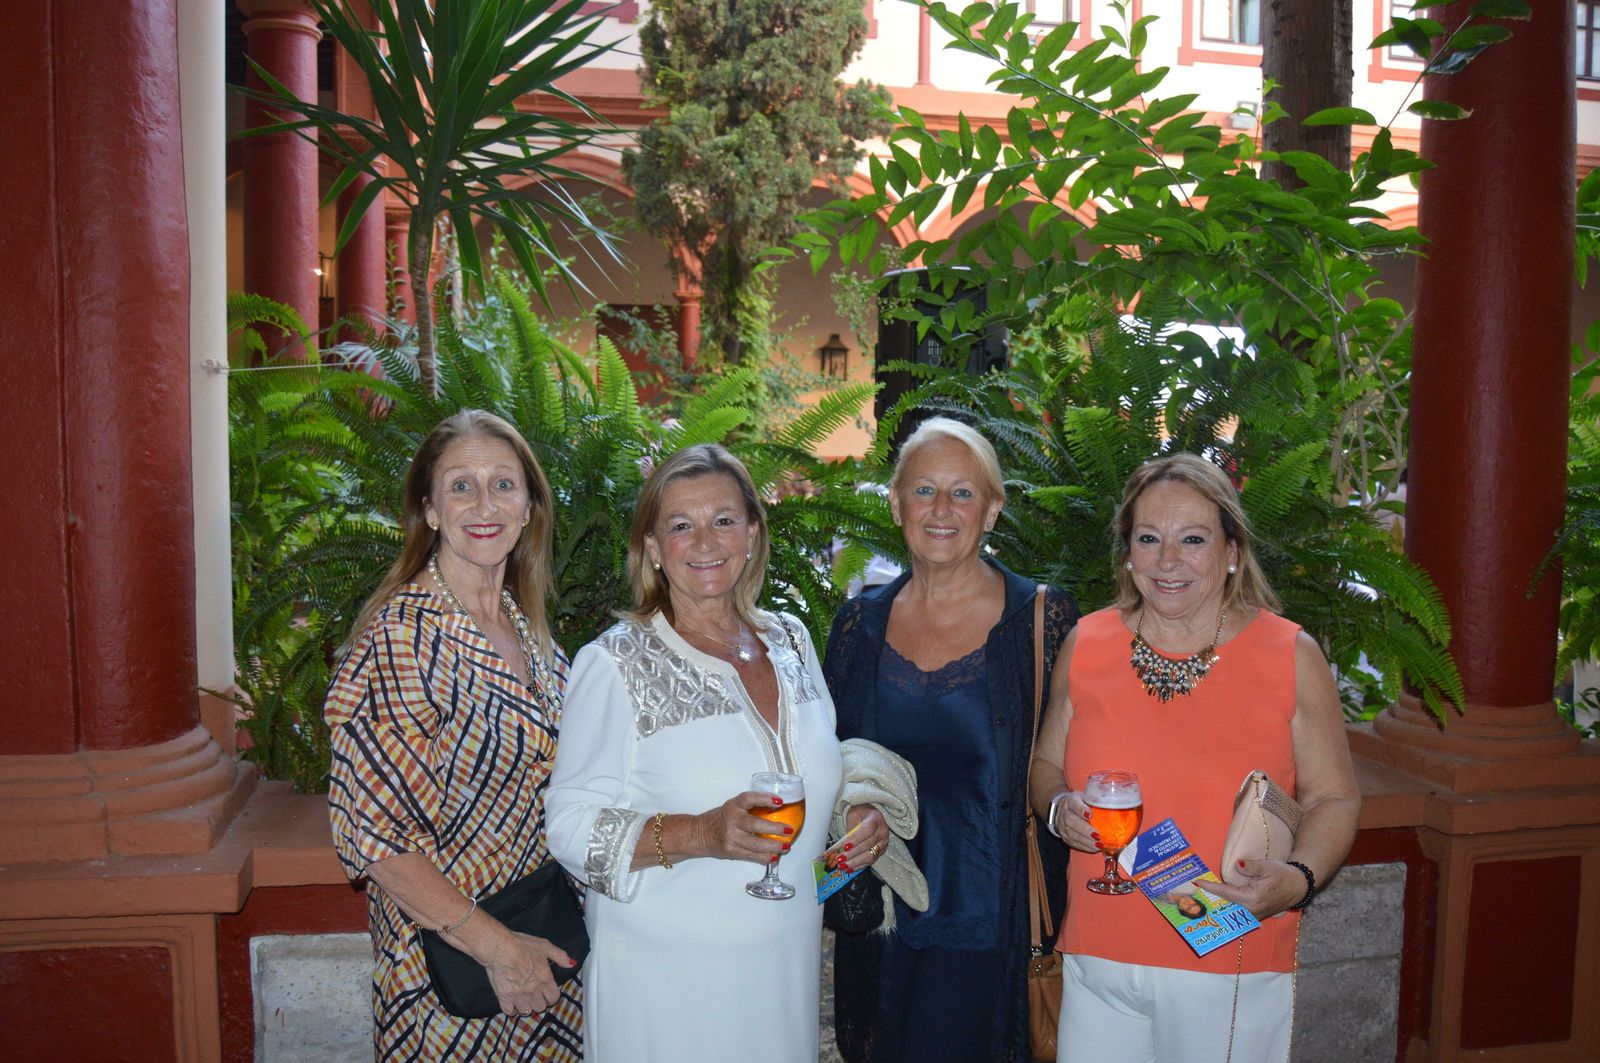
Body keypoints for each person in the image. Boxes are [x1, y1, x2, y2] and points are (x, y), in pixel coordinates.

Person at [545, 444, 887, 1062]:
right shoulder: (614, 662)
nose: (705, 541)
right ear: (652, 547)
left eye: (723, 520)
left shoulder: (791, 642)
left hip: (783, 973)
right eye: (681, 525)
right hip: (665, 986)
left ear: (753, 534)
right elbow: (568, 827)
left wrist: (853, 836)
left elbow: (815, 799)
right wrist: (702, 831)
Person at [1030, 453, 1361, 1062]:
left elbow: (1334, 797)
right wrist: (1057, 810)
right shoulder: (1088, 643)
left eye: (1193, 539)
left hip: (1227, 959)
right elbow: (1045, 768)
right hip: (1096, 959)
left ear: (1231, 550)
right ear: (1127, 550)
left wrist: (1298, 880)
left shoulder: (1288, 653)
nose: (1168, 561)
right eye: (1149, 538)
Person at [324, 409, 581, 1061]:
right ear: (431, 511)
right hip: (452, 979)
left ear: (529, 507)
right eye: (460, 485)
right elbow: (377, 841)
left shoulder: (532, 632)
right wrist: (501, 951)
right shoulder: (400, 640)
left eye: (503, 483)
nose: (484, 502)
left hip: (542, 950)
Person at [825, 416, 1080, 1063]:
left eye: (963, 493)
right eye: (924, 490)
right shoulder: (857, 625)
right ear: (895, 501)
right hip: (884, 934)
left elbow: (1076, 766)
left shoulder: (1043, 624)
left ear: (992, 510)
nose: (942, 509)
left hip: (991, 933)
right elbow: (826, 766)